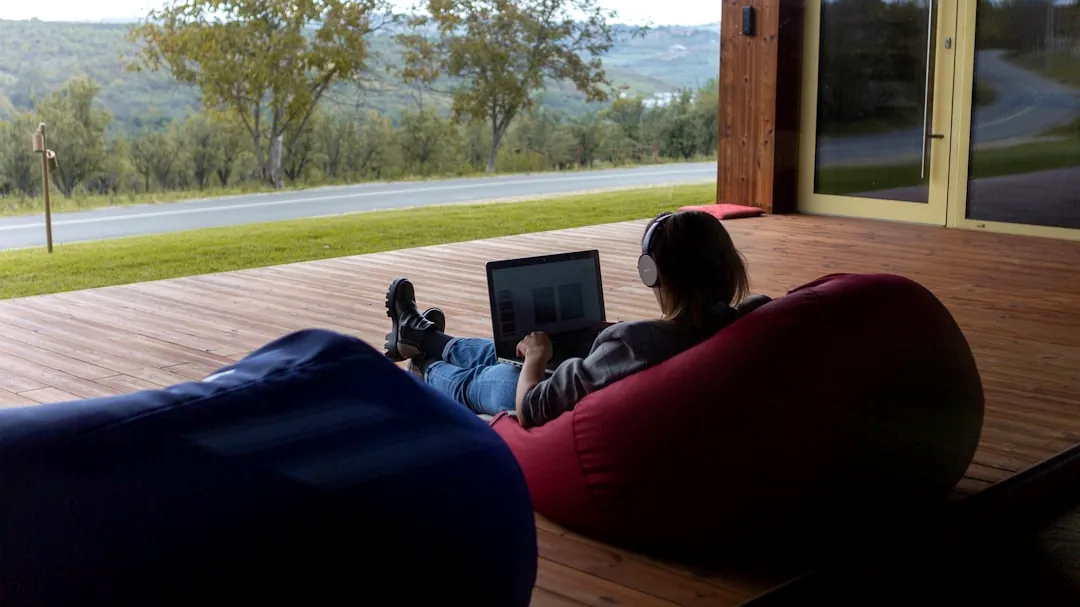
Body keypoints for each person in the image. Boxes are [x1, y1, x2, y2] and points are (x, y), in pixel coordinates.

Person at [382, 210, 771, 428]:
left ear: (650, 273)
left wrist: (536, 361)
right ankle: (424, 335)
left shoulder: (632, 344)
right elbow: (674, 333)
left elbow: (533, 407)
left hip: (558, 408)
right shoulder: (740, 319)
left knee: (498, 376)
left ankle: (423, 363)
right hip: (600, 377)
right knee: (499, 351)